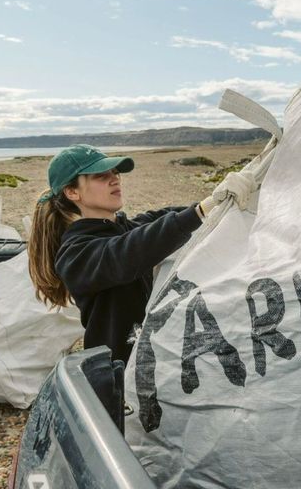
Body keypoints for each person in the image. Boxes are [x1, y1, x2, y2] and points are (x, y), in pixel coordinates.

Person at [28, 144, 254, 365]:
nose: (114, 178)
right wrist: (200, 211)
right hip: (115, 372)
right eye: (100, 176)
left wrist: (218, 200)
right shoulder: (76, 253)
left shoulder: (126, 227)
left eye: (115, 172)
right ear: (72, 191)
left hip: (152, 362)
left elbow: (164, 218)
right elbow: (127, 252)